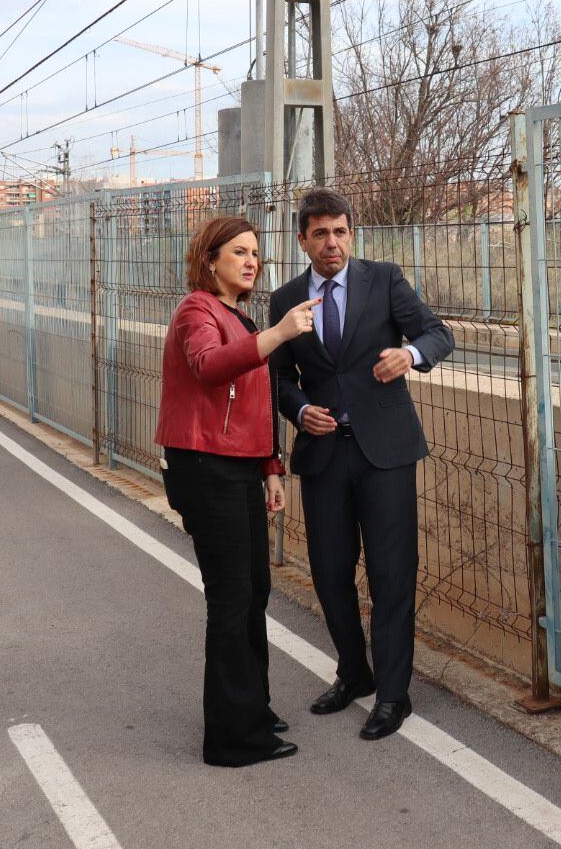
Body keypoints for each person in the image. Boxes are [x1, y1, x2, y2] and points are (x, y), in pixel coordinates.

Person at [268, 188, 454, 741]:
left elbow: (438, 333)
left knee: (391, 573)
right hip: (325, 454)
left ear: (352, 233)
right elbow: (275, 377)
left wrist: (410, 355)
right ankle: (354, 672)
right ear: (303, 239)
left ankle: (394, 695)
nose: (332, 242)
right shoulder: (285, 300)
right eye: (321, 233)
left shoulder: (385, 279)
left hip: (386, 453)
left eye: (341, 231)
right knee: (329, 571)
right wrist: (301, 411)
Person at [155, 215, 322, 768]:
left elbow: (256, 401)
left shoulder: (237, 316)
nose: (251, 261)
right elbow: (207, 367)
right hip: (205, 469)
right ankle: (231, 739)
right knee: (231, 601)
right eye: (238, 252)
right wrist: (278, 334)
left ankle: (252, 710)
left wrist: (271, 466)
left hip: (239, 469)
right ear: (210, 260)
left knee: (253, 595)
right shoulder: (196, 310)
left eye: (255, 253)